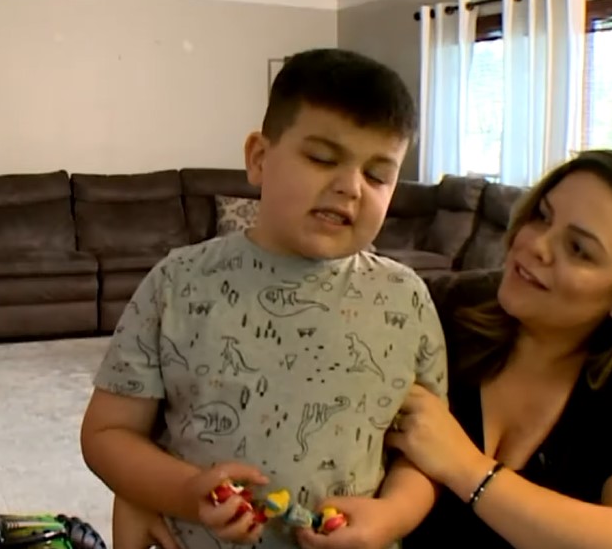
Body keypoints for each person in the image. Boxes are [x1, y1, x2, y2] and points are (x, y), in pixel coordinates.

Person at [80, 48, 448, 549]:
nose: (350, 187)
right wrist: (185, 492)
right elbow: (107, 434)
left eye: (378, 174)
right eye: (322, 158)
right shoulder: (179, 281)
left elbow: (426, 457)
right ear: (258, 158)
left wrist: (393, 516)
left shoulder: (408, 300)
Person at [388, 149, 612, 549]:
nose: (536, 245)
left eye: (578, 249)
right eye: (542, 216)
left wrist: (467, 468)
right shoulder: (442, 308)